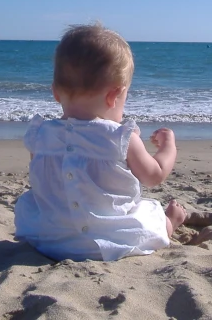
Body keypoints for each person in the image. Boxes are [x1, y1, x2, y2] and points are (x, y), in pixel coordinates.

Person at [14, 23, 186, 261]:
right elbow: (154, 175)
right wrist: (169, 146)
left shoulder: (41, 134)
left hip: (49, 239)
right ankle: (171, 222)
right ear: (113, 96)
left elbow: (42, 178)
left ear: (55, 92)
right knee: (148, 218)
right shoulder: (119, 137)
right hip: (110, 240)